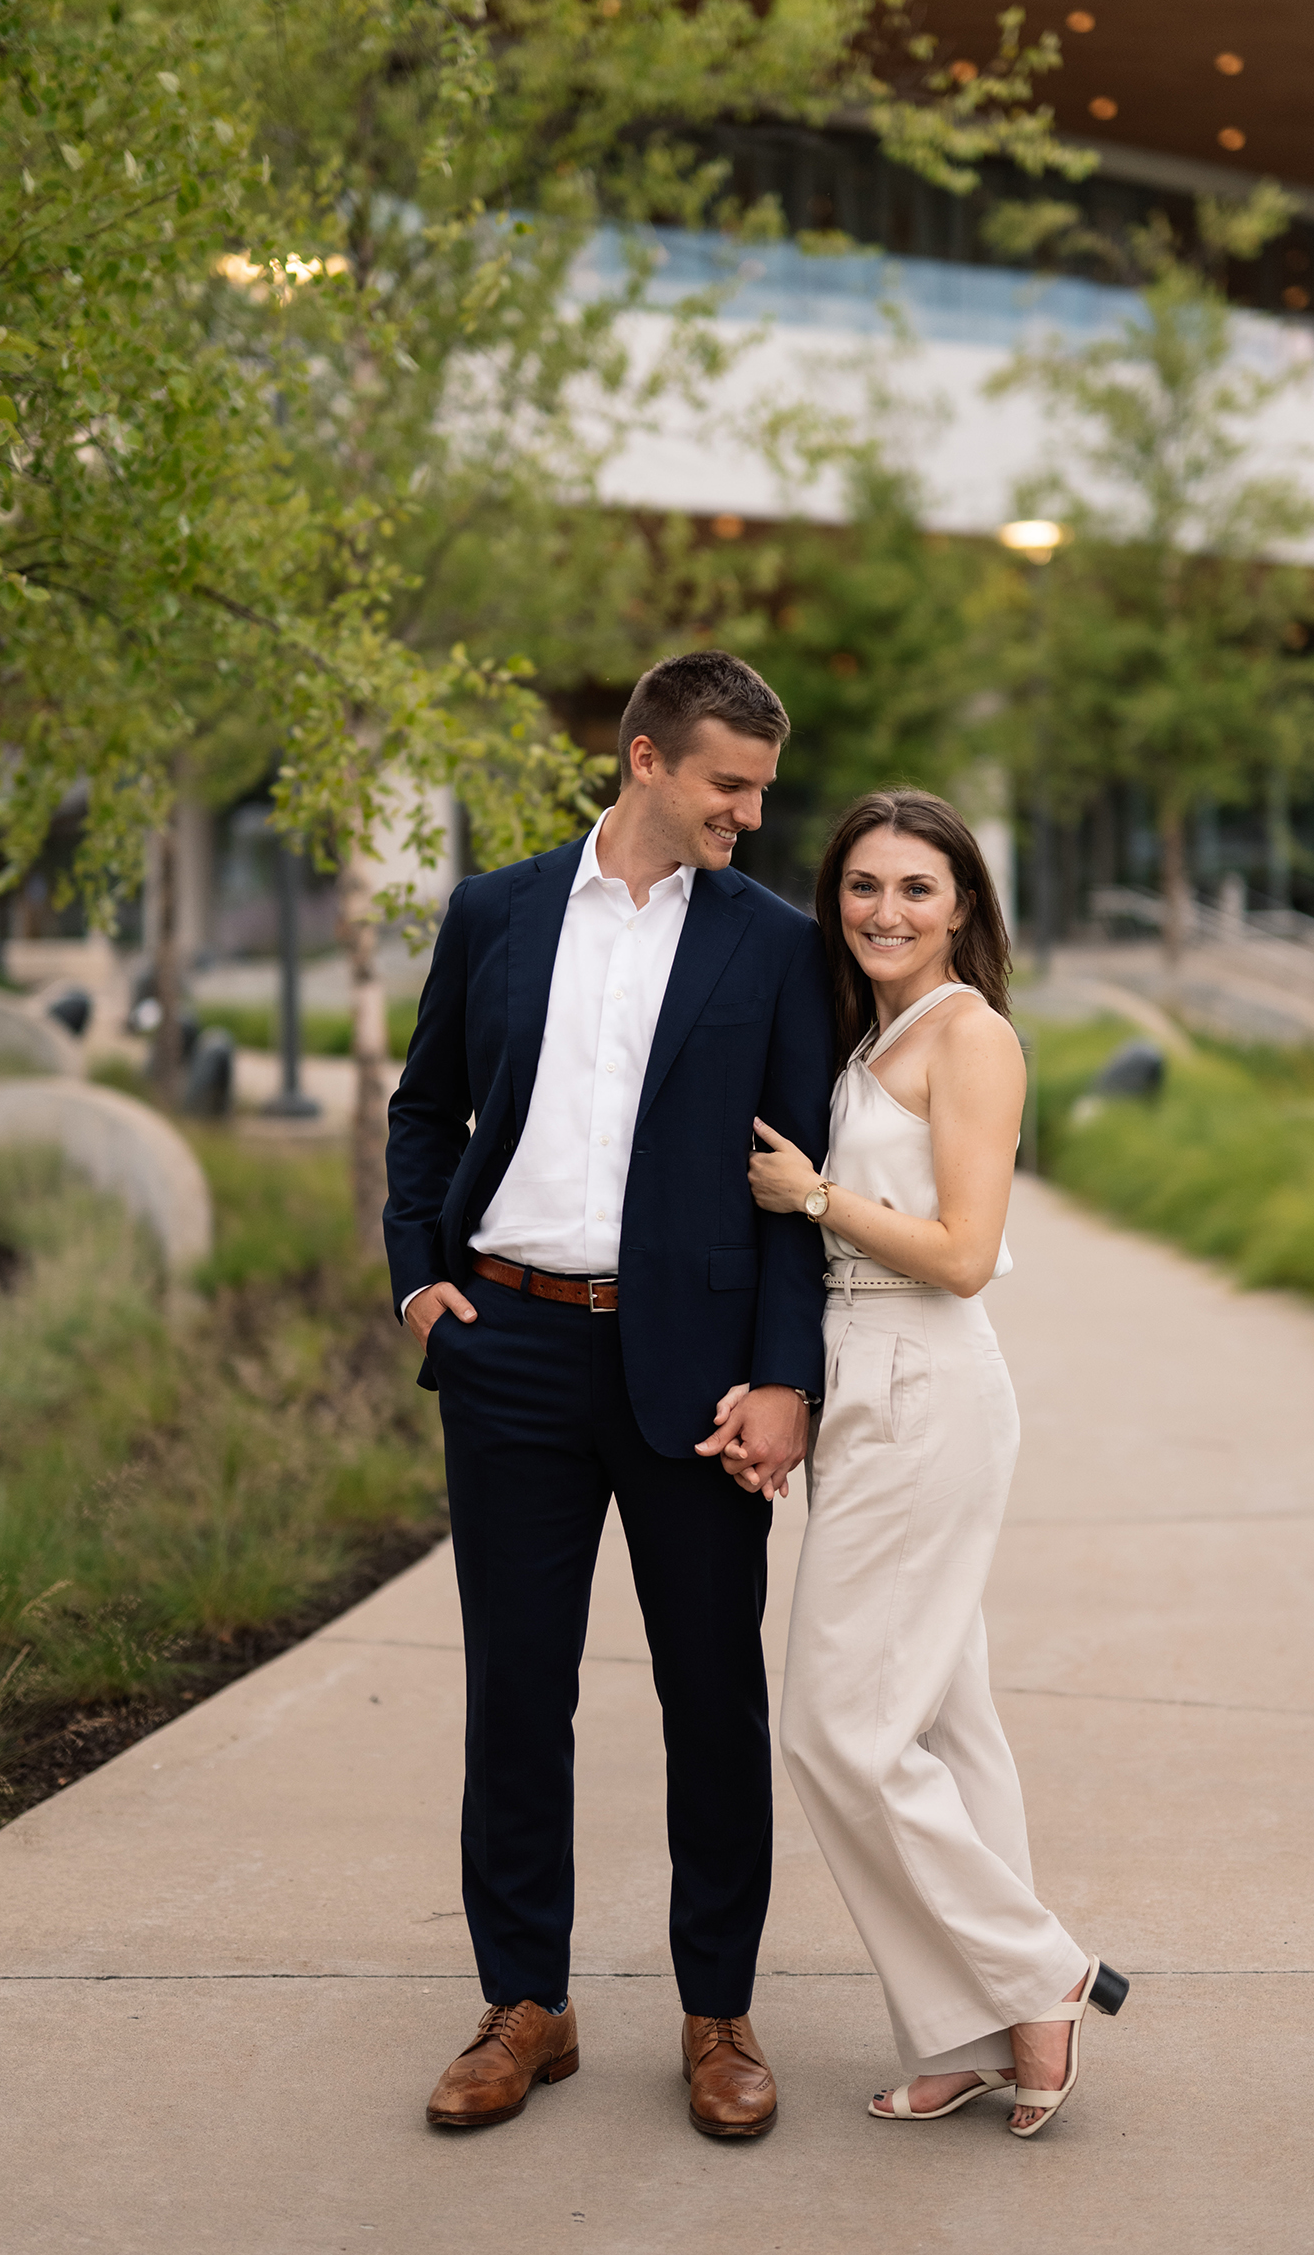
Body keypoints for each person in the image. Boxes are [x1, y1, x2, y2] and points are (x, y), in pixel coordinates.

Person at [383, 650, 833, 2138]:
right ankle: (527, 2004)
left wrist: (784, 1376)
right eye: (728, 785)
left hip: (696, 1377)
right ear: (646, 760)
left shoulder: (771, 945)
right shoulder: (496, 911)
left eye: (761, 790)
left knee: (714, 1695)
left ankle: (719, 2013)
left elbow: (789, 1183)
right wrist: (419, 1278)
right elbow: (424, 1106)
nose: (750, 817)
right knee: (518, 1689)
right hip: (507, 1345)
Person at [714, 789, 1127, 2138]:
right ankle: (967, 2031)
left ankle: (1038, 1972)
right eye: (863, 887)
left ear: (964, 909)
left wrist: (818, 1197)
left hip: (925, 1383)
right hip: (865, 1383)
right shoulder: (878, 1030)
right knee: (949, 1726)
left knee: (838, 1728)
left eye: (917, 890)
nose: (884, 911)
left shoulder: (974, 1038)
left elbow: (960, 1251)